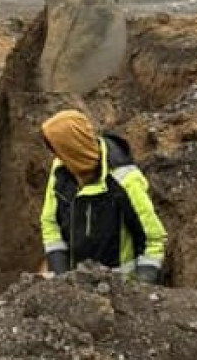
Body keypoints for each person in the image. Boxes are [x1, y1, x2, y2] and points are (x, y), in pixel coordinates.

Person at [39, 109, 167, 284]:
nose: (56, 156)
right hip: (74, 288)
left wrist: (142, 285)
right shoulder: (60, 170)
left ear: (73, 150)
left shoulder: (124, 180)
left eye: (59, 150)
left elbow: (154, 239)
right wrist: (60, 274)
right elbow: (50, 222)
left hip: (119, 289)